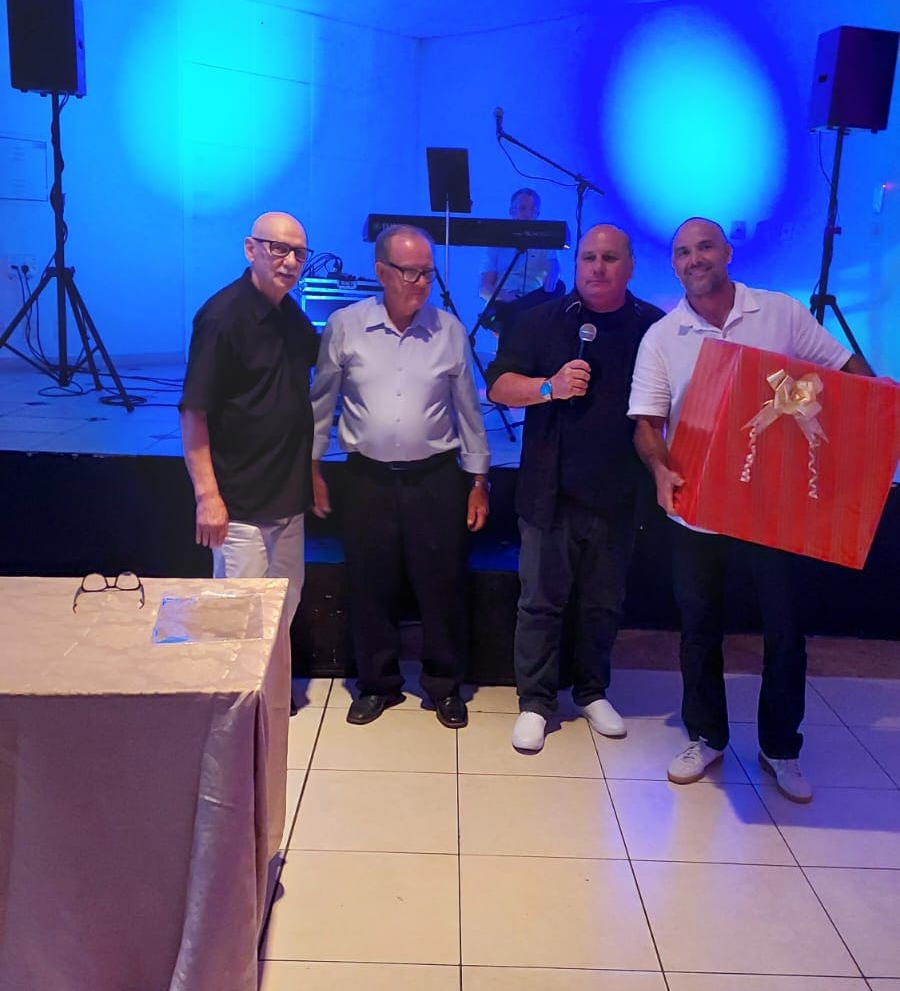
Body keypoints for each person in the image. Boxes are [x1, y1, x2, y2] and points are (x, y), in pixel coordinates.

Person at [629, 216, 873, 803]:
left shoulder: (780, 313)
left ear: (727, 252)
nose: (695, 259)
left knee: (786, 629)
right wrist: (660, 469)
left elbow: (848, 375)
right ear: (674, 265)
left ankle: (780, 748)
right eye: (683, 252)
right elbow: (647, 423)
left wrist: (868, 411)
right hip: (697, 506)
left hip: (776, 507)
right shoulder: (662, 335)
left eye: (705, 247)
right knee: (699, 627)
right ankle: (706, 736)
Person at [487, 224, 664, 752]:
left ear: (630, 266)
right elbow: (499, 385)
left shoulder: (653, 327)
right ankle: (535, 702)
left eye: (609, 258)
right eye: (588, 257)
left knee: (603, 604)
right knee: (540, 604)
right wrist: (550, 386)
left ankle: (591, 691)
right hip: (550, 491)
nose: (597, 268)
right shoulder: (539, 319)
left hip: (619, 492)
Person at [310, 224, 490, 728]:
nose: (421, 282)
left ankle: (444, 685)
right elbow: (321, 402)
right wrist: (312, 467)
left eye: (427, 272)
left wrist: (479, 481)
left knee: (442, 584)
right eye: (410, 272)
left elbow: (468, 411)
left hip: (435, 478)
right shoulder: (345, 325)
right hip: (365, 479)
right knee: (370, 583)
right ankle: (378, 684)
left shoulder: (449, 330)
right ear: (382, 271)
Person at [179, 211, 319, 625]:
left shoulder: (291, 316)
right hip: (241, 509)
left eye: (299, 253)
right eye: (279, 249)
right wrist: (207, 498)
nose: (290, 262)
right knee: (238, 621)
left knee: (284, 610)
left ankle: (276, 676)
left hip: (288, 503)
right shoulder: (222, 317)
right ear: (250, 249)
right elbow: (194, 411)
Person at [479, 187, 561, 333]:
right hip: (504, 302)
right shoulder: (497, 242)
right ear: (511, 211)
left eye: (532, 210)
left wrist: (553, 272)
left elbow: (553, 267)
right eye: (523, 208)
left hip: (532, 302)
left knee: (560, 287)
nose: (528, 214)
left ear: (538, 214)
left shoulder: (544, 242)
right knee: (507, 314)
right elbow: (484, 287)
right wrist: (506, 297)